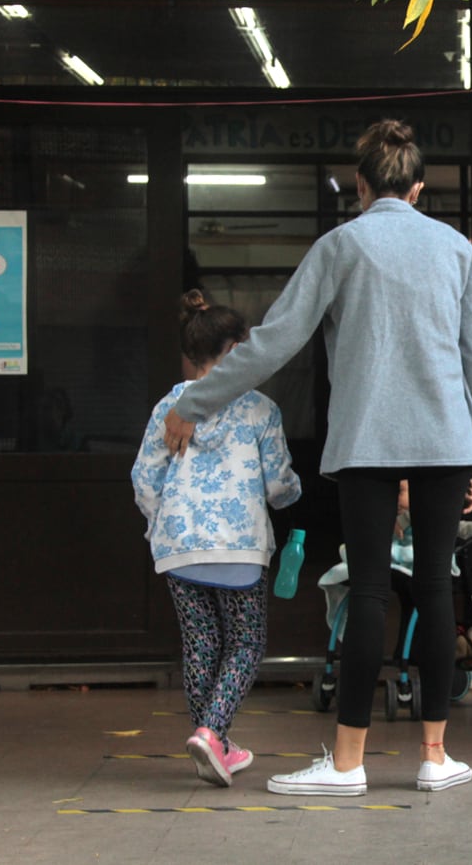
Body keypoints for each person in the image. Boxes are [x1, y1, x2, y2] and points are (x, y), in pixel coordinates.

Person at [162, 119, 472, 795]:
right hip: (449, 441)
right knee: (435, 587)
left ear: (361, 187)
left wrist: (195, 400)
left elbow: (272, 343)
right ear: (420, 189)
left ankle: (347, 763)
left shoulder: (342, 245)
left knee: (368, 589)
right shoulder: (457, 249)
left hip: (368, 441)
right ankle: (435, 756)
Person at [132, 289, 302, 787]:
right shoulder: (260, 409)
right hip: (239, 545)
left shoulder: (169, 406)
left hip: (178, 547)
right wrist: (295, 494)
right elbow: (279, 485)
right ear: (233, 351)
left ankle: (215, 743)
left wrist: (158, 526)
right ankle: (212, 734)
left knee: (201, 644)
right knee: (246, 643)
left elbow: (144, 478)